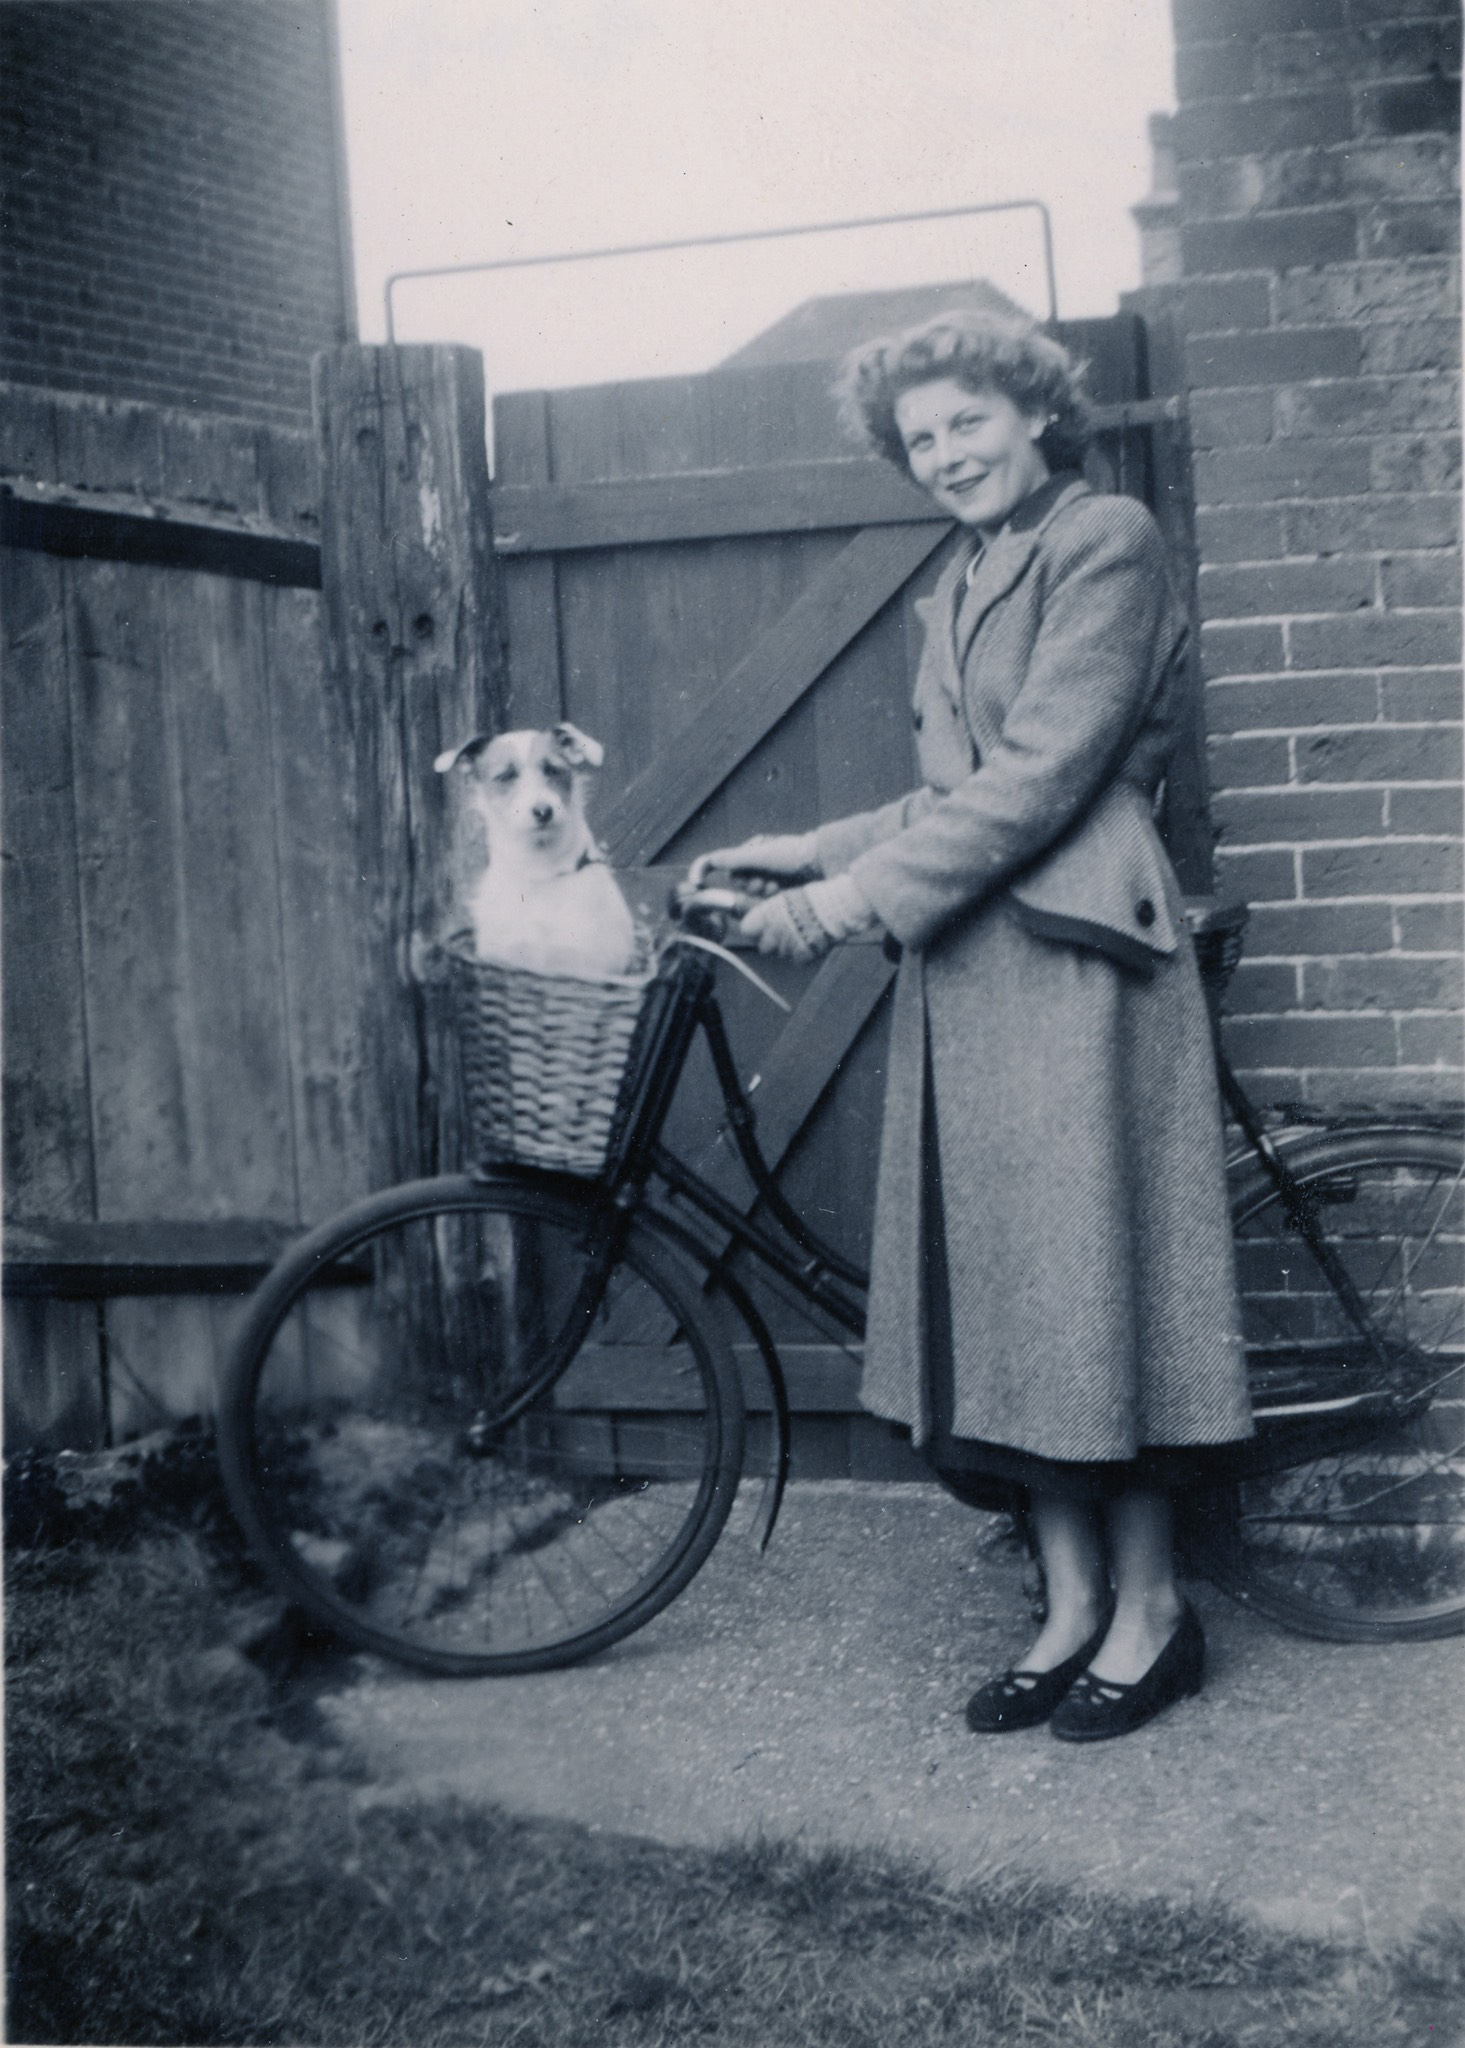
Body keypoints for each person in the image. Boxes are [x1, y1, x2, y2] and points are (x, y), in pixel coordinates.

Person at [697, 311, 1252, 1743]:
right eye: (921, 438)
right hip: (972, 965)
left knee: (1094, 1287)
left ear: (1034, 414)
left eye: (968, 422)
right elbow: (951, 795)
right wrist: (806, 848)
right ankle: (1067, 1608)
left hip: (1079, 965)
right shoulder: (956, 584)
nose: (946, 453)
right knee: (1010, 1299)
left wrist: (843, 906)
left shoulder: (1103, 539)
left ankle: (1153, 1614)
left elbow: (1043, 775)